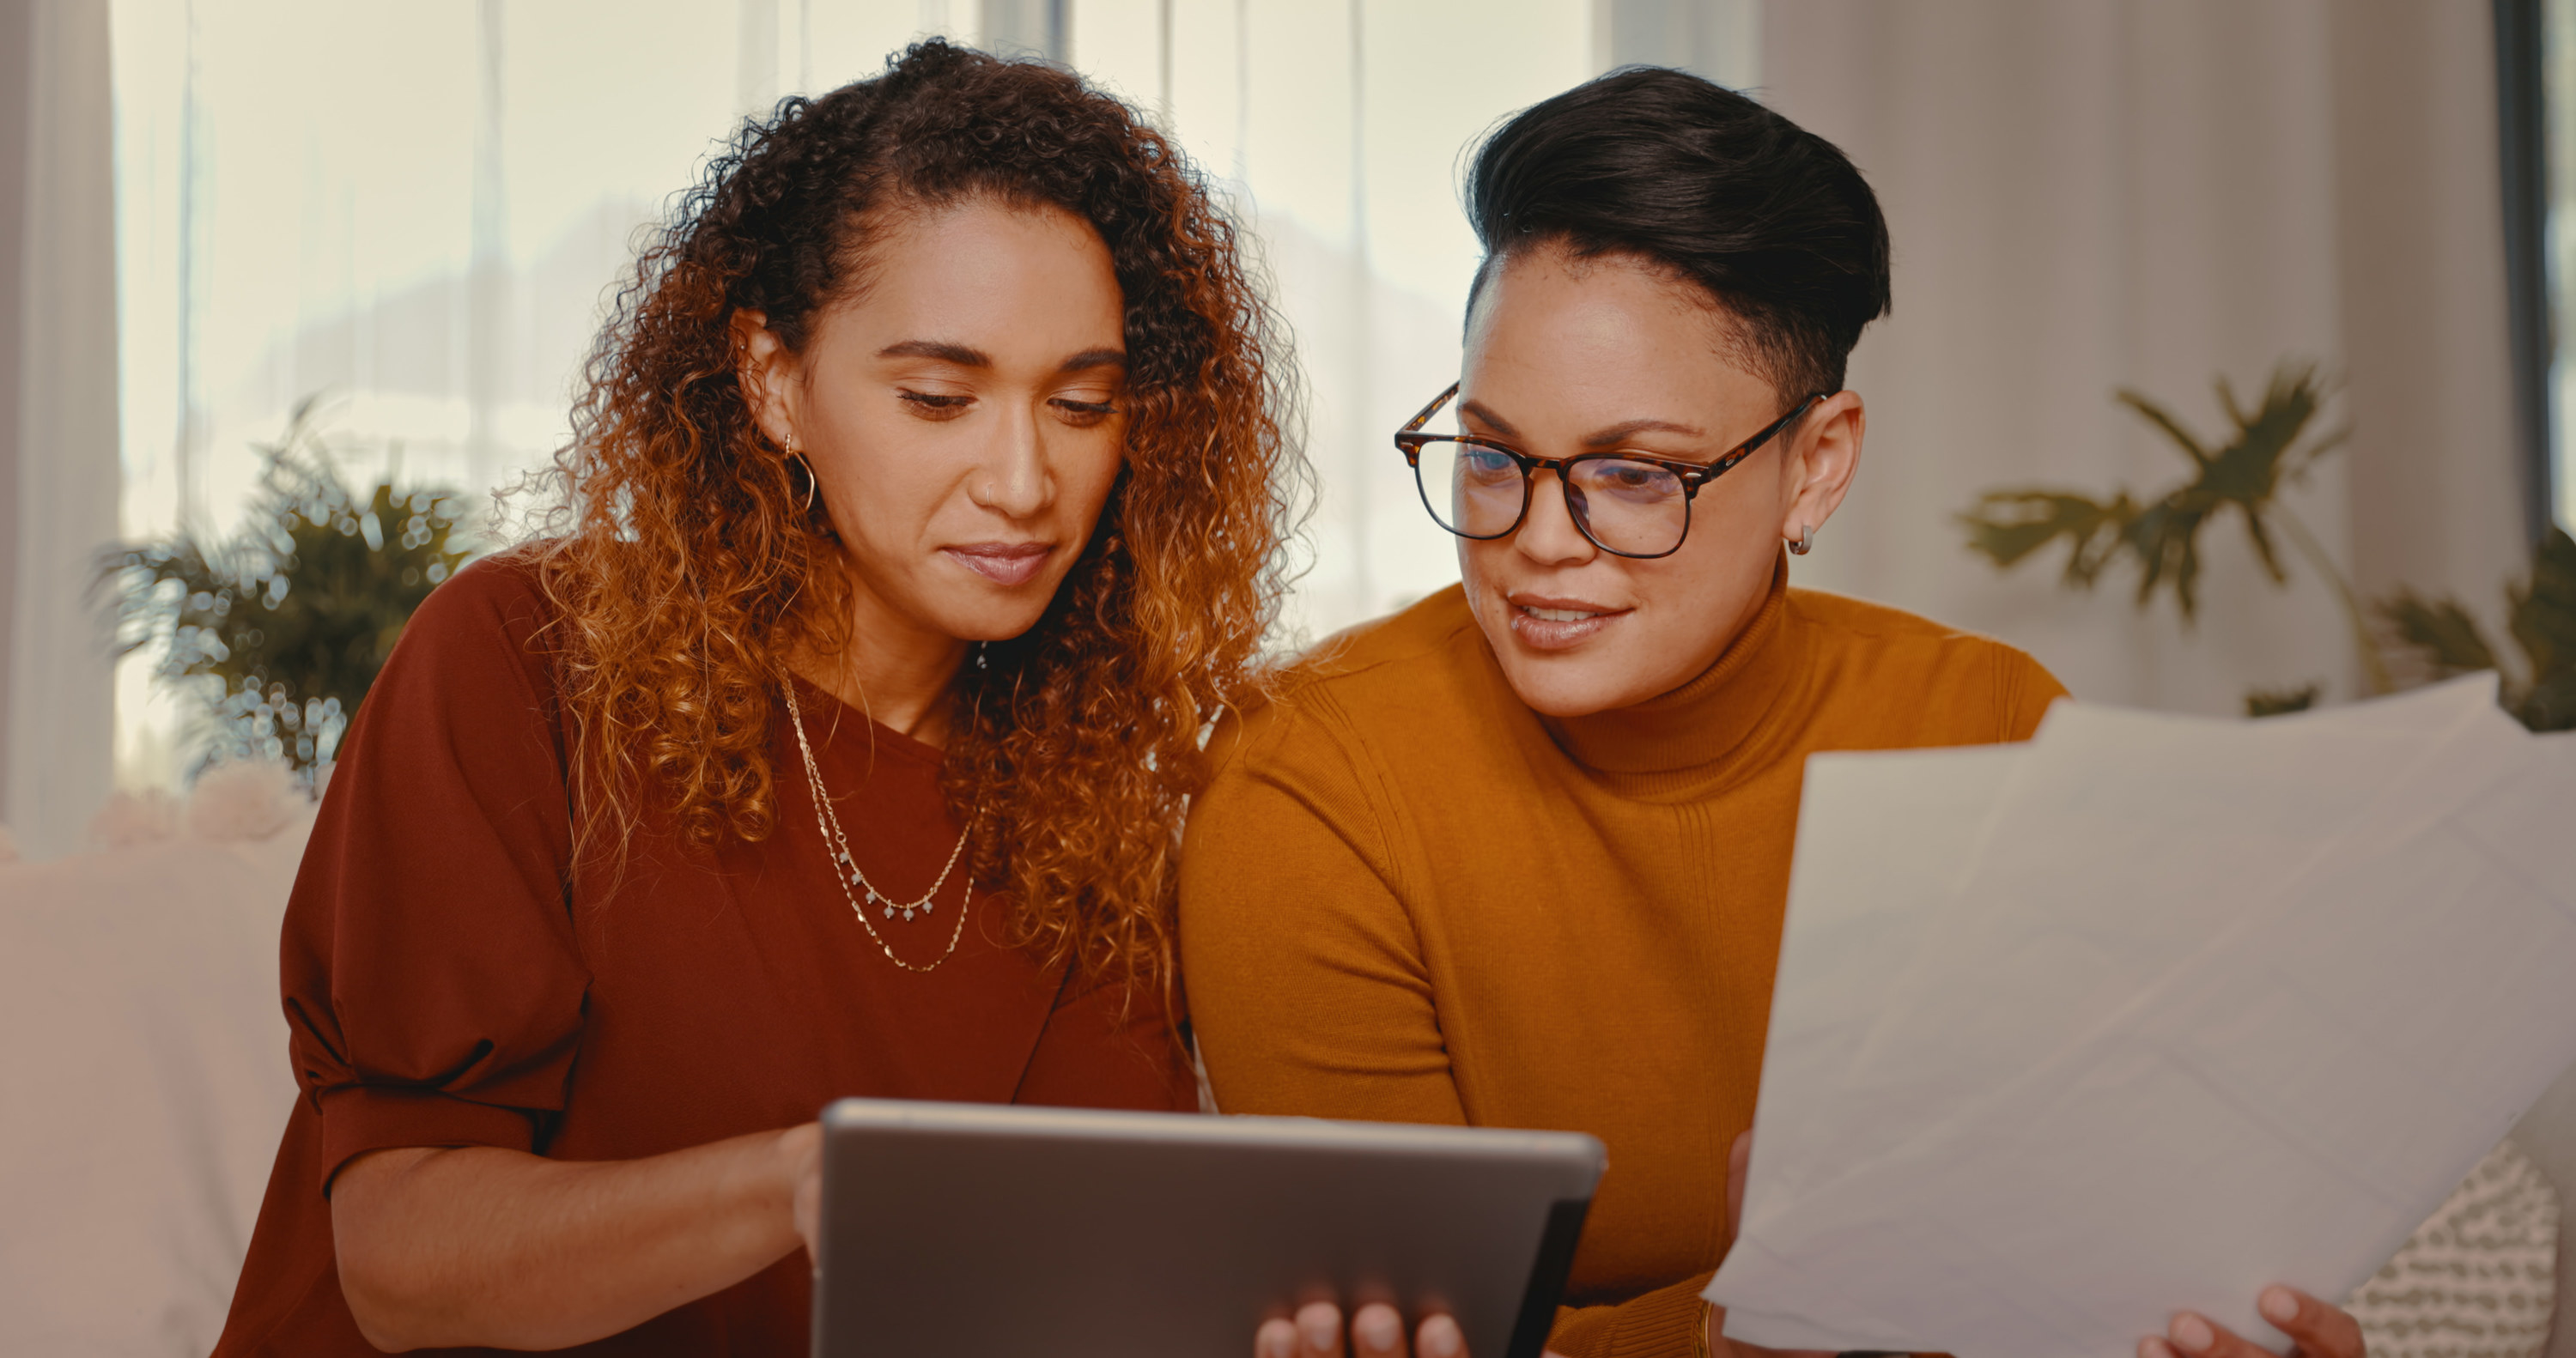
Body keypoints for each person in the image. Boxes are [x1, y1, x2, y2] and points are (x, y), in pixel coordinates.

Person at [1179, 68, 2370, 1358]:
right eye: (1490, 455)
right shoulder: (1308, 780)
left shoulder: (1991, 730)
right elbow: (1422, 1338)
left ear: (1818, 464)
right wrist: (1756, 1324)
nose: (1533, 541)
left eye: (1633, 475)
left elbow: (2105, 1258)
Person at [212, 40, 1295, 1355]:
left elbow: (1083, 1289)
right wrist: (793, 1185)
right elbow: (401, 1261)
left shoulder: (1088, 802)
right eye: (939, 398)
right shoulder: (524, 659)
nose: (1025, 479)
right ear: (775, 380)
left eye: (1081, 404)